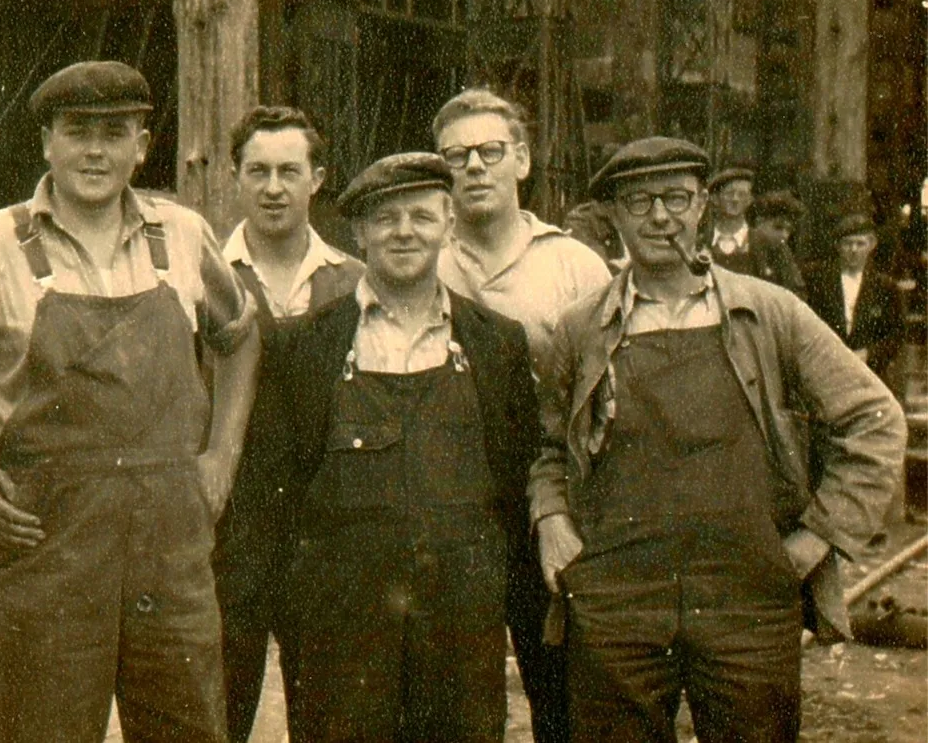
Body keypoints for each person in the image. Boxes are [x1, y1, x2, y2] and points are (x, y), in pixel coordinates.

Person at [531, 137, 907, 743]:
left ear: (703, 205)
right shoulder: (581, 326)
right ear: (615, 216)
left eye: (677, 198)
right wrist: (551, 516)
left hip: (747, 598)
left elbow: (877, 420)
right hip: (619, 597)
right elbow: (549, 446)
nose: (660, 216)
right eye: (639, 201)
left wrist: (818, 536)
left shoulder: (770, 312)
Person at [0, 60, 260, 743]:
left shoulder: (180, 235)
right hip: (47, 543)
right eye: (76, 131)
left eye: (114, 132)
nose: (94, 150)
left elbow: (239, 337)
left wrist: (221, 456)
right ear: (46, 143)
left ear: (142, 145)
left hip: (169, 545)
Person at [244, 152, 541, 741]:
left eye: (422, 217)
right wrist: (298, 614)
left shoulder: (496, 343)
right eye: (386, 219)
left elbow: (515, 488)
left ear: (450, 226)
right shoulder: (305, 346)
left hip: (462, 621)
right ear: (359, 233)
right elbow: (272, 498)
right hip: (341, 627)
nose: (404, 232)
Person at [434, 87, 610, 743]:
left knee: (559, 691)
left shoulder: (572, 265)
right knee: (454, 698)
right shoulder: (420, 258)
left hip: (548, 507)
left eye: (489, 152)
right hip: (451, 508)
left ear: (522, 161)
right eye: (456, 156)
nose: (473, 167)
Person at [213, 105, 363, 742]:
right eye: (258, 171)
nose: (273, 187)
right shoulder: (205, 279)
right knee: (216, 712)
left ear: (317, 179)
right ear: (236, 178)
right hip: (230, 531)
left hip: (324, 535)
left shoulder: (356, 282)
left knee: (330, 719)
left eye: (288, 171)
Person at [805, 213, 905, 387]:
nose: (853, 250)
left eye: (860, 243)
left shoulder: (884, 286)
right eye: (848, 243)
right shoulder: (820, 282)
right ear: (838, 246)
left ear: (871, 245)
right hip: (828, 371)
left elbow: (896, 334)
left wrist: (868, 354)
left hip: (870, 374)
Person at [706, 166, 755, 262]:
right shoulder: (700, 241)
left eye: (742, 194)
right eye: (729, 193)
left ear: (750, 200)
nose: (735, 199)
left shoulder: (765, 243)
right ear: (715, 199)